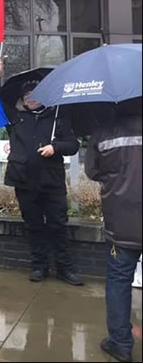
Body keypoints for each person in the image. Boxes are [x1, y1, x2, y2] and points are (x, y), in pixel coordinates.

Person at [0, 60, 83, 286]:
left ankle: (64, 268)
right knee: (33, 226)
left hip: (51, 183)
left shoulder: (57, 117)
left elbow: (73, 145)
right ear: (22, 99)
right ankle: (38, 266)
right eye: (26, 96)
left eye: (34, 94)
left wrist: (56, 147)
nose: (30, 98)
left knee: (58, 225)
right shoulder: (16, 119)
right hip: (24, 181)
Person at [85, 98, 142, 363]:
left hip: (121, 223)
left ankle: (120, 344)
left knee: (119, 283)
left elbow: (92, 171)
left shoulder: (103, 132)